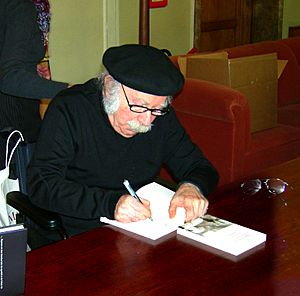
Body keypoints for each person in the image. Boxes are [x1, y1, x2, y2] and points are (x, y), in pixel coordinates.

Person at [27, 44, 219, 243]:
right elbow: (42, 185)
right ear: (110, 87)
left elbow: (201, 168)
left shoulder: (160, 116)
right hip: (86, 230)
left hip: (147, 228)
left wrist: (191, 187)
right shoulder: (70, 110)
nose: (147, 121)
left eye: (157, 109)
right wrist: (110, 204)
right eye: (140, 107)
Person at [0, 0, 68, 168]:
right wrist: (70, 90)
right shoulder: (20, 7)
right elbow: (10, 78)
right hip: (13, 122)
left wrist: (30, 66)